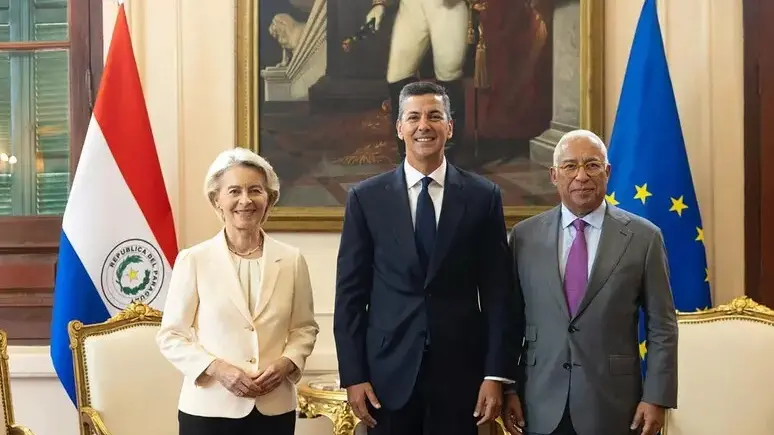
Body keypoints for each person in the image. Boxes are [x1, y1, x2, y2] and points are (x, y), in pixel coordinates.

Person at [333, 81, 521, 435]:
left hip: (462, 376)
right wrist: (354, 375)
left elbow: (499, 295)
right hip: (386, 378)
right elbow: (350, 298)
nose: (424, 125)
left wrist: (495, 374)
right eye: (414, 117)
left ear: (450, 127)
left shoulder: (483, 197)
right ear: (399, 127)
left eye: (435, 116)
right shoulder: (366, 199)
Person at [503, 130, 678, 435]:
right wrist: (509, 389)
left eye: (592, 165)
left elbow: (662, 326)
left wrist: (657, 397)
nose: (581, 176)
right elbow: (510, 320)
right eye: (570, 166)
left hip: (613, 403)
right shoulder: (524, 237)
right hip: (539, 402)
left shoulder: (644, 237)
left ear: (607, 172)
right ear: (554, 175)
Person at [157, 148, 319, 435]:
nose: (245, 200)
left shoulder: (292, 259)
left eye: (255, 190)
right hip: (209, 410)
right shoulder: (194, 260)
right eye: (234, 191)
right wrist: (217, 369)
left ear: (269, 199)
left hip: (274, 407)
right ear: (216, 200)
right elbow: (172, 335)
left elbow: (304, 329)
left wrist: (287, 363)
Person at [365, 0, 470, 160]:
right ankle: (409, 157)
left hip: (447, 7)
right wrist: (379, 4)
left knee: (448, 73)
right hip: (411, 6)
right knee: (397, 76)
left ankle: (447, 159)